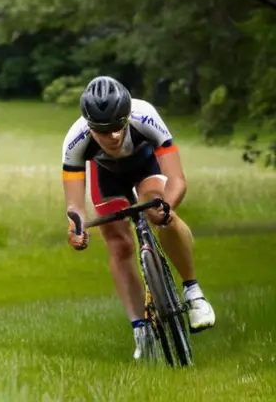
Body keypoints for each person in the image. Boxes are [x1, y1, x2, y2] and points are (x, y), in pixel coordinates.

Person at [60, 76, 216, 361]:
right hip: (106, 176)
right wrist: (77, 229)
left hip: (146, 164)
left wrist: (166, 207)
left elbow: (178, 180)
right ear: (90, 126)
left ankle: (193, 292)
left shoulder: (145, 115)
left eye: (120, 125)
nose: (115, 136)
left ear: (128, 115)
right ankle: (140, 329)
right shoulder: (75, 140)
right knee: (118, 244)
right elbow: (74, 208)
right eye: (104, 131)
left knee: (158, 209)